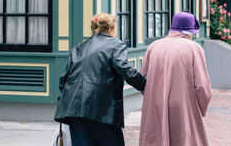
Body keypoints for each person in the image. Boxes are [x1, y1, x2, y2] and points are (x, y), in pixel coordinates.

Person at [54, 13, 146, 146]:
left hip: (73, 109)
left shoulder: (78, 47)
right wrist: (144, 84)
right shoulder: (115, 45)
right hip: (102, 109)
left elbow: (63, 81)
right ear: (110, 29)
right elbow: (124, 68)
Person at [139, 12, 212, 146]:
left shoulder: (153, 46)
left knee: (156, 139)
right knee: (183, 139)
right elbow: (202, 86)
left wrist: (152, 96)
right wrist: (201, 108)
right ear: (188, 33)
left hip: (155, 104)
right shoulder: (194, 48)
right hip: (183, 105)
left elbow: (143, 78)